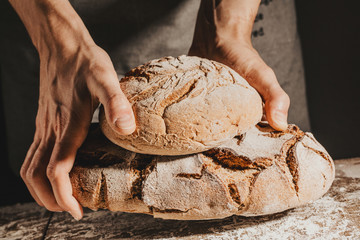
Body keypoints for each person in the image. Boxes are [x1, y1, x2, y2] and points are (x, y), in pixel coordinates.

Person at [6, 0, 308, 220]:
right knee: (56, 191)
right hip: (51, 25)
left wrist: (227, 28)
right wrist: (58, 39)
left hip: (231, 43)